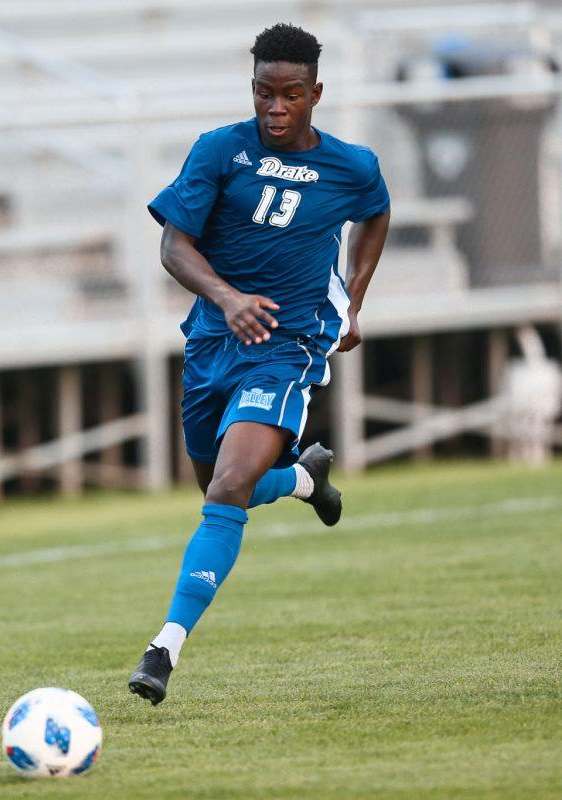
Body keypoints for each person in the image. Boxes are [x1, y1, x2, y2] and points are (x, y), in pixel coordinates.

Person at [127, 24, 391, 704]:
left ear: (315, 94)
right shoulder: (219, 151)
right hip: (213, 343)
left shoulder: (353, 166)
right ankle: (304, 482)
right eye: (264, 94)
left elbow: (376, 214)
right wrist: (226, 296)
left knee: (225, 492)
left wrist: (353, 303)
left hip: (288, 347)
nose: (275, 109)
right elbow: (173, 246)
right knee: (219, 486)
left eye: (290, 96)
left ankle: (164, 650)